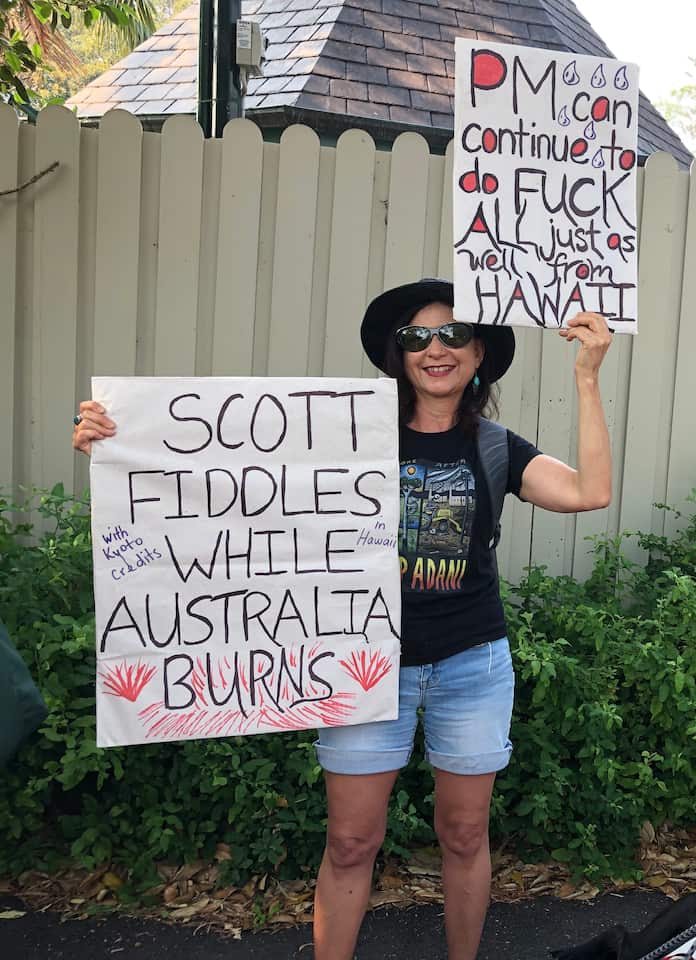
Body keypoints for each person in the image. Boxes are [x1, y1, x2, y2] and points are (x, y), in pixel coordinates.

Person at [73, 278, 614, 960]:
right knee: (351, 841)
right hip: (360, 666)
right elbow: (222, 477)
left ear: (478, 355)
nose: (434, 349)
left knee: (465, 836)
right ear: (398, 354)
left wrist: (587, 377)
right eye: (416, 337)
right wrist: (120, 447)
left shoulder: (497, 447)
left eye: (452, 335)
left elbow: (590, 492)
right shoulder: (343, 437)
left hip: (470, 665)